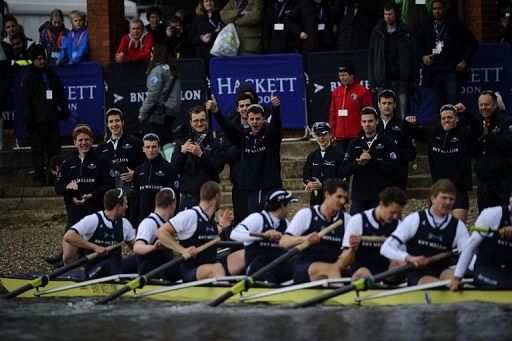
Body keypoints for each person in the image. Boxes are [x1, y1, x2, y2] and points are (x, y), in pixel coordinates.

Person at [380, 179, 469, 285]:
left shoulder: (458, 226)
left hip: (443, 270)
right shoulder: (415, 219)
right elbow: (386, 248)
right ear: (433, 198)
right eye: (444, 198)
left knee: (454, 278)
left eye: (451, 199)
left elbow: (468, 254)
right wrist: (409, 258)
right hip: (418, 272)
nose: (448, 202)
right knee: (432, 282)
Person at [404, 103, 482, 223]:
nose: (446, 120)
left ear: (456, 119)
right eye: (443, 118)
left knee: (458, 227)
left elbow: (478, 129)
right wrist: (407, 121)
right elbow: (411, 130)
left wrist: (466, 112)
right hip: (438, 190)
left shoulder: (464, 134)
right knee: (434, 228)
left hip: (459, 189)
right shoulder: (433, 133)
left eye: (450, 117)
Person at [209, 93, 283, 214]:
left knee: (272, 224)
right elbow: (228, 128)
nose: (255, 122)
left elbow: (276, 128)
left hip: (270, 187)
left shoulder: (271, 136)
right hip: (251, 190)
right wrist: (216, 112)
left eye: (258, 119)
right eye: (252, 119)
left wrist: (275, 109)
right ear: (247, 120)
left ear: (263, 119)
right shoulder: (244, 138)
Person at [156, 181, 242, 282]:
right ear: (217, 197)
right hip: (192, 270)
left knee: (244, 255)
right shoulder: (190, 215)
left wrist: (222, 226)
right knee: (217, 268)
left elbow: (207, 235)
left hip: (212, 264)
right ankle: (229, 295)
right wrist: (183, 250)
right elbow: (161, 233)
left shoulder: (210, 220)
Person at [279, 178, 351, 284]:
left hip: (334, 266)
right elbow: (283, 242)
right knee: (332, 270)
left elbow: (348, 252)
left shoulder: (347, 219)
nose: (343, 202)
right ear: (327, 195)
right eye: (339, 197)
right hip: (305, 267)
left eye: (345, 198)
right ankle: (342, 298)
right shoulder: (306, 214)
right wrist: (305, 238)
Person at [20, 44, 70, 187]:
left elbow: (60, 93)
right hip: (37, 122)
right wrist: (28, 118)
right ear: (33, 60)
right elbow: (24, 101)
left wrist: (64, 109)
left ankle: (55, 177)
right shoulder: (29, 77)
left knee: (54, 150)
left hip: (52, 119)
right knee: (38, 151)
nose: (42, 61)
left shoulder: (51, 73)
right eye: (38, 59)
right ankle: (39, 177)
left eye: (43, 58)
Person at [62, 188, 136, 279]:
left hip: (116, 268)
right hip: (94, 271)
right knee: (110, 263)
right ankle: (123, 282)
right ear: (118, 206)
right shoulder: (93, 220)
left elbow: (135, 248)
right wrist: (95, 247)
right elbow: (69, 236)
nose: (127, 207)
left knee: (137, 259)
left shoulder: (125, 224)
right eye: (125, 204)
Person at [420, 0, 477, 114]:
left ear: (445, 9)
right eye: (434, 9)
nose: (437, 11)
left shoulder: (456, 24)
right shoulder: (427, 25)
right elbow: (418, 46)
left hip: (452, 71)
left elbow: (473, 43)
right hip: (434, 72)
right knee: (438, 108)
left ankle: (456, 130)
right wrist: (423, 57)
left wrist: (465, 60)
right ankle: (442, 131)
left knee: (453, 106)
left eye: (439, 8)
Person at [230, 188, 297, 283]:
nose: (290, 208)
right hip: (256, 270)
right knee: (261, 261)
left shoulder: (285, 223)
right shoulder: (258, 218)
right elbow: (234, 234)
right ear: (282, 205)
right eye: (289, 204)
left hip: (276, 268)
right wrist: (264, 236)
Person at [340, 107, 399, 214]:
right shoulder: (354, 143)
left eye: (370, 121)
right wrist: (359, 163)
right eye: (364, 121)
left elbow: (393, 167)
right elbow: (344, 169)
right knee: (356, 229)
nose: (367, 124)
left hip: (380, 196)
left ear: (377, 121)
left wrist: (372, 161)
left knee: (379, 229)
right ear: (361, 123)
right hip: (359, 197)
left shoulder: (387, 142)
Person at [340, 187, 406, 280]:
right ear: (381, 204)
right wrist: (352, 249)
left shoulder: (398, 225)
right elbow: (344, 262)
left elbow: (401, 256)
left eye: (398, 213)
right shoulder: (358, 221)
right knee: (363, 272)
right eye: (392, 212)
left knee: (401, 265)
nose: (395, 216)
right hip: (360, 271)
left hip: (386, 272)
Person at [55, 124, 114, 227]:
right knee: (68, 242)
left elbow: (110, 185)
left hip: (97, 215)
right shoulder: (67, 163)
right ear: (74, 142)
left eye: (87, 139)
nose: (84, 143)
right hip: (74, 216)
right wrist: (67, 187)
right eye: (80, 140)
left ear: (91, 140)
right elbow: (58, 187)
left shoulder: (102, 161)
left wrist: (91, 195)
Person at [450, 193, 512, 290]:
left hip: (508, 269)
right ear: (510, 201)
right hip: (488, 267)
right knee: (505, 285)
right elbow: (470, 248)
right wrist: (457, 278)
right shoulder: (491, 215)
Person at [368, 1, 417, 119]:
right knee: (383, 116)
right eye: (385, 14)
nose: (387, 17)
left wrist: (414, 80)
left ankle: (402, 137)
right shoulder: (377, 31)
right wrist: (372, 81)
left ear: (396, 14)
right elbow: (371, 57)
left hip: (401, 80)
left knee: (403, 115)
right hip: (383, 80)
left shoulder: (406, 31)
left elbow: (413, 57)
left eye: (390, 14)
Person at [171, 105, 224, 211]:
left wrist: (201, 155)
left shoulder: (215, 143)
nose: (199, 123)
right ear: (190, 122)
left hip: (208, 197)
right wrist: (182, 152)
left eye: (202, 120)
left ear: (207, 121)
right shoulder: (182, 142)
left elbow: (218, 167)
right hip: (188, 197)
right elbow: (173, 169)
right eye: (196, 121)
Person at [473, 90, 512, 211]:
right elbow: (471, 151)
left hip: (503, 181)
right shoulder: (476, 123)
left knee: (504, 221)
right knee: (485, 222)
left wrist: (488, 136)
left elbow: (509, 143)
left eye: (487, 104)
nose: (483, 108)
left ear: (495, 105)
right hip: (483, 181)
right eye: (481, 105)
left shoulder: (507, 121)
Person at [138, 44, 181, 147]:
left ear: (156, 55)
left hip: (161, 111)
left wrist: (142, 112)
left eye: (151, 54)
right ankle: (170, 160)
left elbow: (153, 94)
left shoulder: (157, 71)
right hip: (172, 110)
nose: (150, 57)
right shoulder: (172, 68)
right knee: (166, 139)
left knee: (159, 141)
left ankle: (166, 161)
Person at [130, 133, 178, 225]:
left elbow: (175, 197)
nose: (151, 150)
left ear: (159, 148)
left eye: (154, 147)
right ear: (143, 149)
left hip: (163, 221)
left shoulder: (169, 169)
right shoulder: (138, 170)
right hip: (142, 221)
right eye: (147, 147)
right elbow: (134, 200)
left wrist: (173, 221)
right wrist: (133, 223)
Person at [134, 188, 181, 281]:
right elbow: (137, 247)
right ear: (172, 205)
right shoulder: (149, 223)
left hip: (164, 271)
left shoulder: (166, 224)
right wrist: (153, 247)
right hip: (151, 275)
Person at [96, 108, 145, 196]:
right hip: (110, 197)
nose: (114, 124)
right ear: (107, 124)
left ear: (122, 122)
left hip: (131, 195)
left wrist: (135, 174)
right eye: (111, 121)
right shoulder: (101, 148)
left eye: (117, 120)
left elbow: (146, 165)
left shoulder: (135, 143)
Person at [221, 93, 253, 225]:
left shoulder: (262, 128)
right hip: (239, 185)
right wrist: (242, 142)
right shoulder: (230, 129)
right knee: (241, 224)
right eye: (242, 106)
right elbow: (226, 157)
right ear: (238, 109)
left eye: (248, 105)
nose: (245, 108)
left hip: (258, 185)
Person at [328, 60, 372, 151]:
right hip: (339, 137)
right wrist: (332, 132)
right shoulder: (336, 92)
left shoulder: (363, 92)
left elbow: (368, 114)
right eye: (340, 75)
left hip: (356, 136)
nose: (341, 78)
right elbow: (333, 114)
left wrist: (365, 133)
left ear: (352, 75)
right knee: (341, 163)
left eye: (344, 75)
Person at [377, 89, 416, 190]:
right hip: (376, 177)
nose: (386, 106)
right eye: (384, 103)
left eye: (389, 103)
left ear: (394, 104)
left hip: (397, 177)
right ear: (379, 104)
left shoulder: (403, 125)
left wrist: (392, 153)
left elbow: (412, 153)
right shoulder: (371, 124)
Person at [303, 121, 344, 206]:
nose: (321, 138)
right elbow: (306, 177)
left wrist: (323, 185)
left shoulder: (339, 155)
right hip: (315, 200)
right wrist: (309, 184)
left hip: (334, 199)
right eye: (318, 135)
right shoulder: (312, 156)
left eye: (324, 134)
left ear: (330, 135)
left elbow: (342, 179)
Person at [189, 0, 224, 70]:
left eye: (211, 0)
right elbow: (191, 36)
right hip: (203, 54)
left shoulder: (221, 15)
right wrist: (201, 38)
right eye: (206, 1)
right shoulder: (197, 18)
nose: (209, 3)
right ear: (202, 4)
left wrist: (213, 35)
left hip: (219, 53)